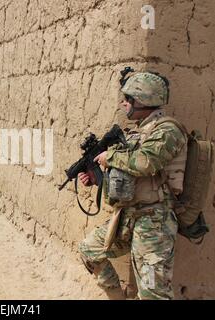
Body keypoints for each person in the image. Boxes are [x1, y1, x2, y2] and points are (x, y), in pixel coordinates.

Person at [78, 71, 187, 300]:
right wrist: (97, 178)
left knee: (153, 293)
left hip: (154, 222)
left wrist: (111, 157)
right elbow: (129, 176)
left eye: (128, 99)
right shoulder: (137, 131)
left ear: (144, 100)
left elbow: (146, 163)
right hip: (127, 216)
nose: (123, 103)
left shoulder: (168, 130)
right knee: (89, 250)